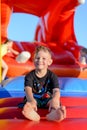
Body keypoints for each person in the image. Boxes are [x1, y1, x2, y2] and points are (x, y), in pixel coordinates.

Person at [20, 45, 66, 122]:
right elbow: (28, 90)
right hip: (34, 98)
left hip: (47, 99)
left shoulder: (52, 76)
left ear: (49, 62)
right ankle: (32, 113)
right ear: (34, 60)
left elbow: (56, 91)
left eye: (44, 58)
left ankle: (54, 114)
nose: (40, 60)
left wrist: (55, 99)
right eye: (37, 58)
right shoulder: (29, 76)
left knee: (55, 102)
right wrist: (31, 100)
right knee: (29, 104)